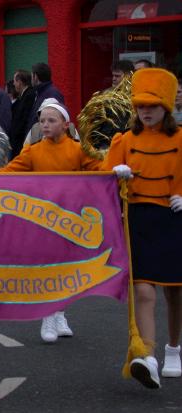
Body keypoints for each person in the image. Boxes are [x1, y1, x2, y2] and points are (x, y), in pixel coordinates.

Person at [102, 68, 182, 389]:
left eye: (152, 105)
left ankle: (173, 349)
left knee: (175, 292)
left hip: (174, 219)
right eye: (140, 106)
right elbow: (103, 183)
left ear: (166, 106)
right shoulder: (125, 141)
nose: (145, 112)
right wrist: (113, 174)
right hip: (138, 220)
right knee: (144, 290)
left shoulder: (181, 139)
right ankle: (146, 355)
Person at [0, 102, 101, 343]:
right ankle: (48, 314)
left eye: (51, 121)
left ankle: (60, 313)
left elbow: (100, 171)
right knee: (48, 267)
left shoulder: (78, 150)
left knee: (67, 269)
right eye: (42, 121)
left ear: (65, 125)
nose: (45, 125)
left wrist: (117, 169)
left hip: (71, 221)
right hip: (43, 220)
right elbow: (7, 173)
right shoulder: (33, 152)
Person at [25, 63, 64, 138]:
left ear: (35, 77)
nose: (31, 80)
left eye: (31, 76)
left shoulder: (51, 95)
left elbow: (52, 124)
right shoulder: (40, 93)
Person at [10, 69, 36, 158]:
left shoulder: (29, 95)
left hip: (22, 141)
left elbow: (23, 119)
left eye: (14, 81)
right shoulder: (25, 95)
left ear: (20, 82)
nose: (13, 84)